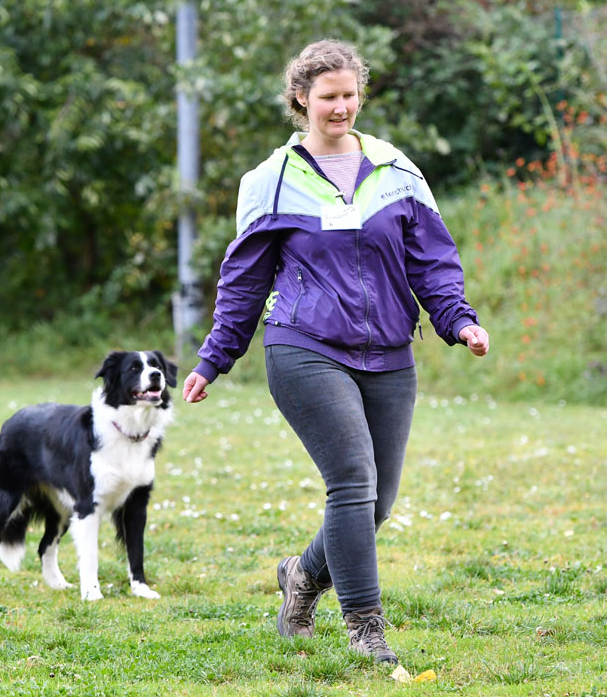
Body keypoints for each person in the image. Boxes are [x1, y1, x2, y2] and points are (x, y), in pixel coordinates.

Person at [182, 39, 490, 664]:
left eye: (350, 95)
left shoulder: (398, 171)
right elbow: (244, 281)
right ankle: (366, 627)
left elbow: (431, 260)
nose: (341, 107)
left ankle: (301, 576)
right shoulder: (269, 182)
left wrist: (458, 320)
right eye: (328, 97)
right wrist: (215, 357)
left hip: (389, 353)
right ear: (301, 99)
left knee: (378, 501)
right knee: (351, 481)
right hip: (305, 346)